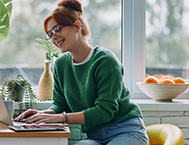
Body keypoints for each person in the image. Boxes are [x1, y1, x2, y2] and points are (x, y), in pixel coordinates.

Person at [14, 0, 149, 144]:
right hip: (95, 136)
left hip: (125, 129)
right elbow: (60, 106)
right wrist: (42, 114)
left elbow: (105, 112)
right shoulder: (61, 65)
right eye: (50, 34)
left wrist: (62, 118)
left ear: (77, 26)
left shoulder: (105, 61)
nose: (54, 38)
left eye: (57, 30)